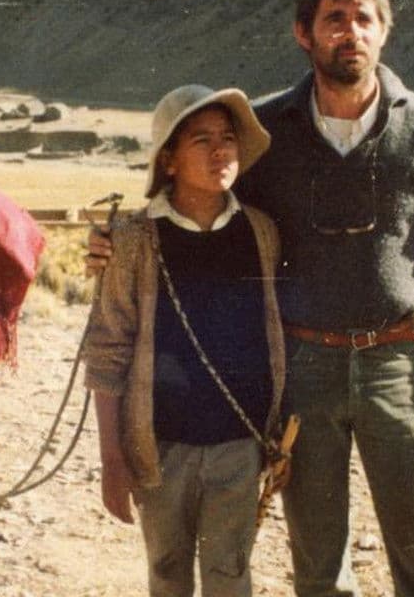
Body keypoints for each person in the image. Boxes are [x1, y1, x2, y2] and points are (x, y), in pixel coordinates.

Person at [89, 0, 414, 596]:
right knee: (318, 559)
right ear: (304, 33)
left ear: (385, 29)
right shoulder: (265, 133)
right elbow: (198, 200)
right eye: (334, 18)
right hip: (303, 370)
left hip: (393, 361)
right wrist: (114, 244)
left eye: (364, 18)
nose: (351, 32)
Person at [79, 84, 287, 597]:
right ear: (168, 160)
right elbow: (106, 352)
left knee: (230, 577)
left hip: (239, 444)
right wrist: (112, 460)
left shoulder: (260, 231)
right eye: (201, 140)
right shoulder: (132, 239)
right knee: (168, 574)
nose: (220, 151)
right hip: (160, 447)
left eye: (227, 138)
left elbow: (276, 335)